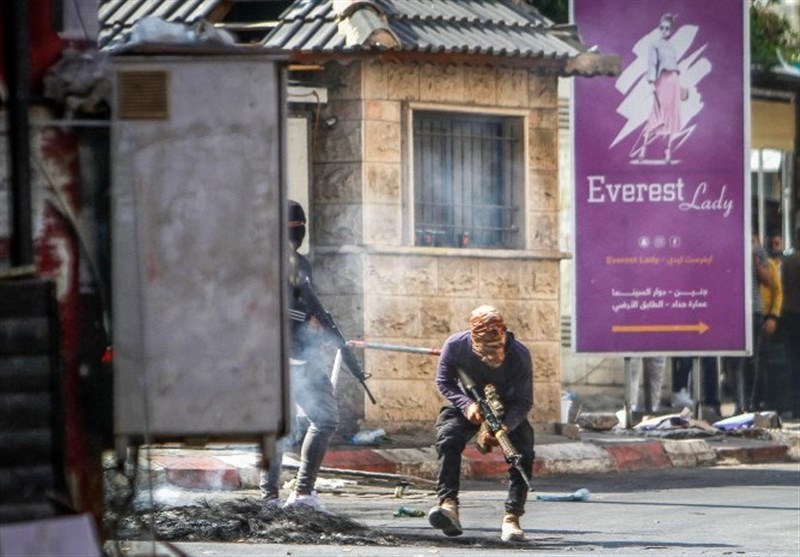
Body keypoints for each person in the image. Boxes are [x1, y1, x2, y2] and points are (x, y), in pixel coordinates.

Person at [428, 305, 534, 542]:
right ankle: (448, 504)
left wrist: (505, 427)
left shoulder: (519, 355)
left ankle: (512, 517)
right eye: (484, 353)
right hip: (468, 406)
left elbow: (524, 400)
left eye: (495, 352)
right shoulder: (455, 346)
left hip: (506, 409)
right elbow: (444, 381)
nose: (491, 358)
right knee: (448, 439)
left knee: (523, 453)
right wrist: (466, 405)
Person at [259, 200, 339, 510]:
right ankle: (276, 496)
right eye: (292, 228)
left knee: (319, 420)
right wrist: (305, 320)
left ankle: (297, 493)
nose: (298, 233)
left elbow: (310, 308)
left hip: (303, 358)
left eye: (300, 227)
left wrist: (323, 335)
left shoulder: (301, 264)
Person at [723, 232, 773, 413]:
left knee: (752, 360)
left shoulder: (757, 250)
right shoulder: (726, 246)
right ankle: (739, 405)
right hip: (731, 310)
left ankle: (750, 405)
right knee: (735, 360)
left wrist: (756, 261)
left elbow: (769, 282)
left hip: (754, 310)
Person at [631, 13, 685, 163]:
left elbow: (673, 65)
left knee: (672, 114)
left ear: (671, 30)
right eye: (662, 27)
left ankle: (668, 152)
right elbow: (652, 63)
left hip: (673, 80)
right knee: (656, 113)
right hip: (662, 80)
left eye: (667, 28)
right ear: (659, 28)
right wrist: (652, 81)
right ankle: (643, 150)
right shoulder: (654, 44)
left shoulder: (672, 47)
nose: (664, 30)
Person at [778, 230, 800, 417]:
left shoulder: (788, 262)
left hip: (790, 315)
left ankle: (795, 405)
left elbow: (782, 286)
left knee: (793, 362)